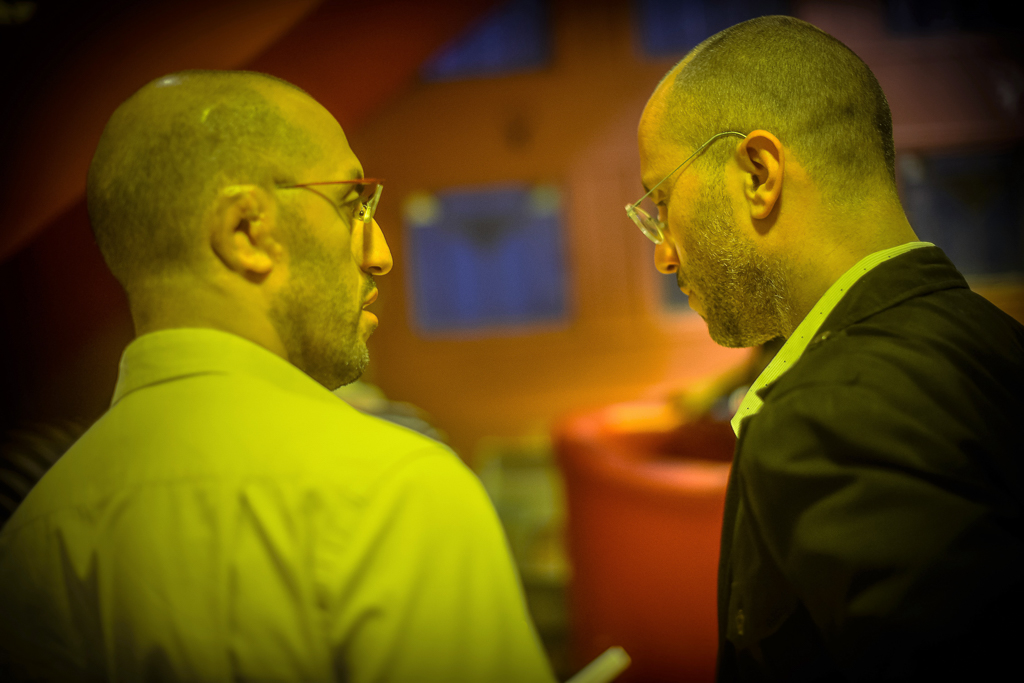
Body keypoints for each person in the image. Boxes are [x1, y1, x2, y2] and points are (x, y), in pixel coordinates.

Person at [0, 70, 555, 683]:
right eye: (351, 204)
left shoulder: (30, 538)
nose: (380, 254)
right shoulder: (396, 492)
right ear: (247, 232)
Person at [629, 15, 1023, 681]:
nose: (664, 253)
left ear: (759, 174)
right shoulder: (995, 340)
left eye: (663, 203)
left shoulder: (828, 417)